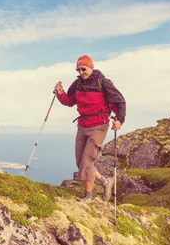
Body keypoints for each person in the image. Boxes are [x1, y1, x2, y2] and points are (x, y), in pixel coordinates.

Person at [54, 54, 126, 202]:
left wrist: (119, 120)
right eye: (78, 70)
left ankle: (88, 197)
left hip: (99, 126)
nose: (81, 73)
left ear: (91, 67)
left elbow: (120, 102)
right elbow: (69, 101)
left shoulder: (103, 82)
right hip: (82, 125)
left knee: (87, 162)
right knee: (80, 162)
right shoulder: (77, 84)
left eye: (83, 69)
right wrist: (60, 93)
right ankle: (105, 181)